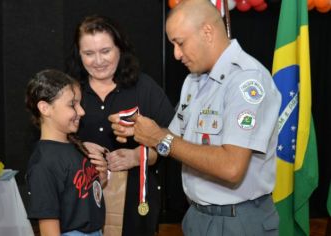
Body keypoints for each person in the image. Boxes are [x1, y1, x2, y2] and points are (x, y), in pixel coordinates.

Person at [109, 0, 282, 235]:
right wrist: (143, 137)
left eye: (180, 43)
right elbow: (175, 139)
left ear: (207, 32)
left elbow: (232, 167)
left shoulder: (246, 81)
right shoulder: (194, 81)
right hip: (197, 217)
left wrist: (159, 138)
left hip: (237, 220)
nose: (176, 54)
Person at [66, 15, 175, 236]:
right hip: (79, 201)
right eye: (89, 53)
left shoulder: (144, 88)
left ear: (120, 49)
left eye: (105, 51)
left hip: (137, 202)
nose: (98, 61)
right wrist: (78, 148)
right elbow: (47, 141)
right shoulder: (68, 89)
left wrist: (138, 156)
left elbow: (173, 140)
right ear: (79, 54)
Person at [25, 69, 108, 236]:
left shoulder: (75, 146)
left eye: (80, 104)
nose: (82, 112)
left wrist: (101, 178)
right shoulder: (43, 164)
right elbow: (49, 228)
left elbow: (82, 195)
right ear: (45, 108)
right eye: (72, 104)